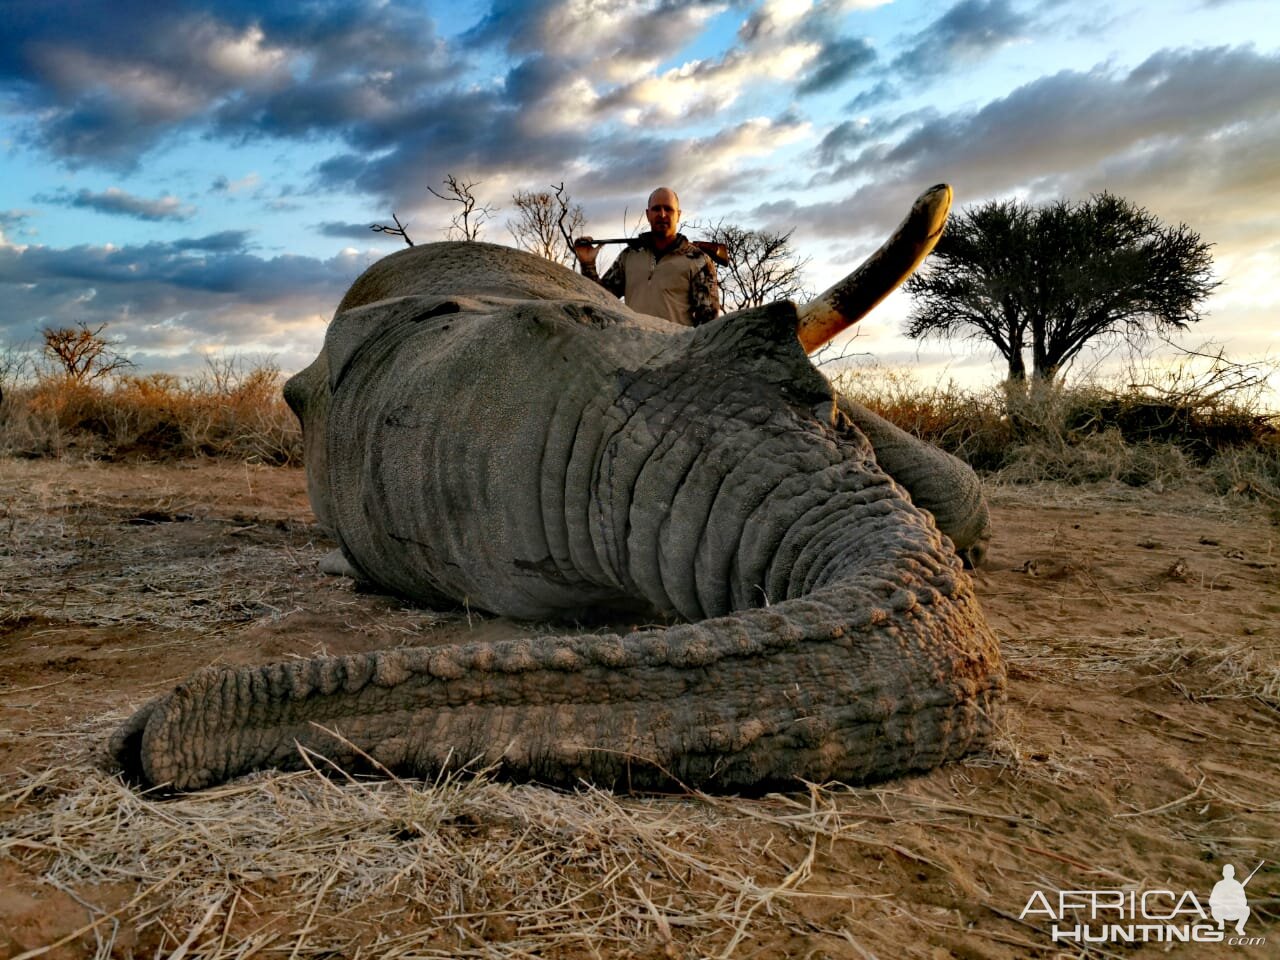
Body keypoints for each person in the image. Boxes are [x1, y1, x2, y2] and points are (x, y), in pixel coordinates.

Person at [573, 187, 720, 327]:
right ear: (648, 214)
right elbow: (600, 300)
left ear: (678, 215)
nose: (662, 214)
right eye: (656, 209)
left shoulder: (698, 260)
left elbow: (709, 323)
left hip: (677, 350)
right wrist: (588, 264)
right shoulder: (629, 255)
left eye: (668, 209)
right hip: (634, 349)